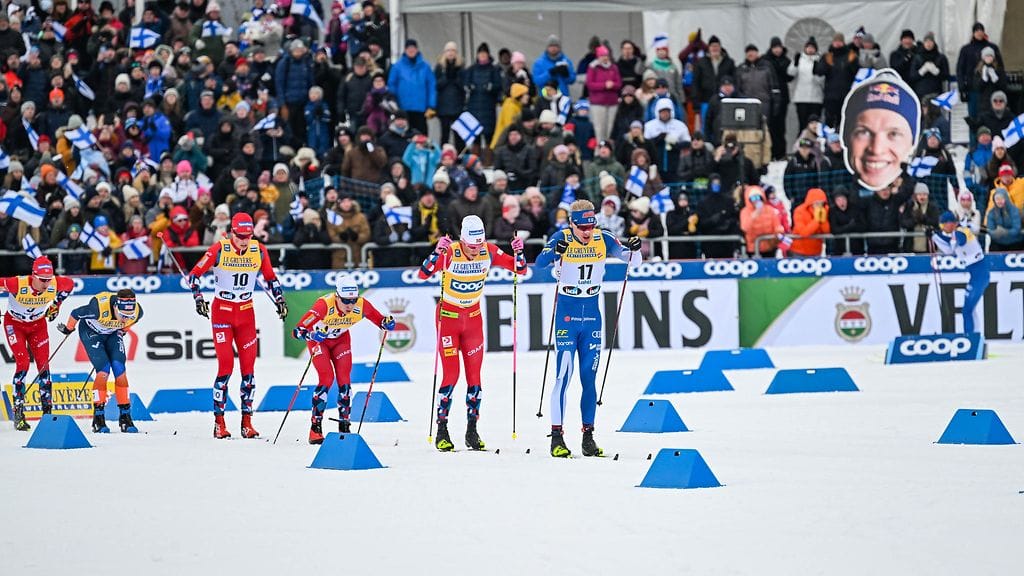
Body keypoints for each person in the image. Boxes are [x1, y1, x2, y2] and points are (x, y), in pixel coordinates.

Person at [535, 201, 641, 457]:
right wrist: (554, 253)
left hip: (592, 315)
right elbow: (539, 263)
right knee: (563, 376)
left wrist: (636, 248)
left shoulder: (603, 238)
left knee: (589, 379)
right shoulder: (561, 236)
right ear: (572, 223)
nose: (586, 231)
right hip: (567, 315)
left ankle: (588, 436)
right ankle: (557, 437)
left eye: (590, 225)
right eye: (581, 226)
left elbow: (632, 261)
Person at [417, 216, 526, 451]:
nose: (476, 250)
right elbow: (423, 274)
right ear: (462, 241)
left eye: (479, 245)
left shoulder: (489, 251)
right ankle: (442, 429)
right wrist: (436, 253)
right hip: (448, 319)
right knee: (451, 375)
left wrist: (519, 252)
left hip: (473, 320)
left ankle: (472, 431)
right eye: (471, 246)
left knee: (475, 377)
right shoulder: (451, 252)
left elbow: (520, 269)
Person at [188, 213, 288, 439]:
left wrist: (280, 300)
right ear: (232, 232)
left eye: (248, 235)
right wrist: (198, 299)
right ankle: (219, 423)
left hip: (245, 314)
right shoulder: (219, 249)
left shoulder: (259, 250)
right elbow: (194, 275)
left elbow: (271, 278)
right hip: (222, 313)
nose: (244, 240)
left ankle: (247, 422)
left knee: (249, 372)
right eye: (240, 236)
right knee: (225, 368)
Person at [292, 278, 395, 443]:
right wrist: (311, 335)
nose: (350, 305)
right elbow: (297, 330)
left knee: (345, 381)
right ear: (337, 297)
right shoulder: (324, 305)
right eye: (346, 300)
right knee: (326, 378)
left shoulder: (362, 305)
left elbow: (380, 320)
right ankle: (315, 427)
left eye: (353, 300)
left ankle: (345, 426)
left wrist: (387, 323)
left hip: (341, 340)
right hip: (319, 341)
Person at [0, 257, 75, 431]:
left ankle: (47, 413)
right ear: (33, 275)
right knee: (23, 363)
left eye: (48, 279)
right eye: (42, 279)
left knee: (44, 366)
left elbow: (70, 284)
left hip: (38, 326)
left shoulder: (56, 283)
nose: (46, 284)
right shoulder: (17, 284)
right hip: (15, 325)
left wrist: (57, 304)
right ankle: (18, 413)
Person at [57, 289, 143, 434]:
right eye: (122, 315)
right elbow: (76, 313)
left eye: (128, 316)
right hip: (91, 332)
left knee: (119, 369)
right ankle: (98, 417)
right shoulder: (97, 308)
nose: (125, 318)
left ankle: (125, 417)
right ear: (115, 306)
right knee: (103, 371)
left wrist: (123, 329)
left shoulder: (137, 312)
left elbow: (132, 320)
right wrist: (68, 328)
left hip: (112, 333)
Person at [840, 71, 920, 191]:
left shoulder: (910, 196)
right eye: (863, 132)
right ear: (846, 137)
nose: (876, 149)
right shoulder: (841, 193)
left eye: (893, 134)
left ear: (912, 143)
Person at [933, 211, 989, 334]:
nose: (943, 228)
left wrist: (939, 235)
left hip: (979, 274)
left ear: (950, 223)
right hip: (976, 274)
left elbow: (959, 241)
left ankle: (971, 337)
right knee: (969, 309)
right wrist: (935, 237)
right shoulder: (956, 231)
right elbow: (948, 250)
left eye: (944, 225)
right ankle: (975, 335)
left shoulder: (961, 231)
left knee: (967, 310)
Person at [387, 39, 436, 134]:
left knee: (421, 134)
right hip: (403, 108)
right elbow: (392, 84)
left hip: (421, 108)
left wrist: (431, 105)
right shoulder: (397, 66)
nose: (411, 50)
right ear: (405, 50)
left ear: (417, 49)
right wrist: (394, 100)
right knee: (405, 134)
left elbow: (431, 86)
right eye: (409, 48)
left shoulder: (425, 66)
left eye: (413, 48)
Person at [957, 22, 1004, 119]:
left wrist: (1001, 84)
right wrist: (962, 87)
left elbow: (1000, 67)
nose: (979, 33)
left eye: (981, 30)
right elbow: (960, 69)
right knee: (974, 118)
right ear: (973, 33)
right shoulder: (966, 50)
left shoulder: (992, 48)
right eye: (977, 30)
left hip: (991, 88)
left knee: (992, 117)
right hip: (973, 89)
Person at [739, 185, 782, 257]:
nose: (756, 200)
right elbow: (744, 228)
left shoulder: (770, 210)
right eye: (753, 198)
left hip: (769, 247)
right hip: (753, 248)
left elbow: (777, 225)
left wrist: (778, 233)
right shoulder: (745, 211)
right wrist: (754, 215)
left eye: (758, 197)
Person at [790, 187, 830, 257]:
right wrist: (816, 220)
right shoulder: (799, 211)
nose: (819, 206)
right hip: (799, 251)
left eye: (821, 203)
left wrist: (823, 221)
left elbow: (826, 231)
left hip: (816, 251)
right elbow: (803, 233)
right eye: (817, 203)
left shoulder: (825, 210)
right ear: (811, 203)